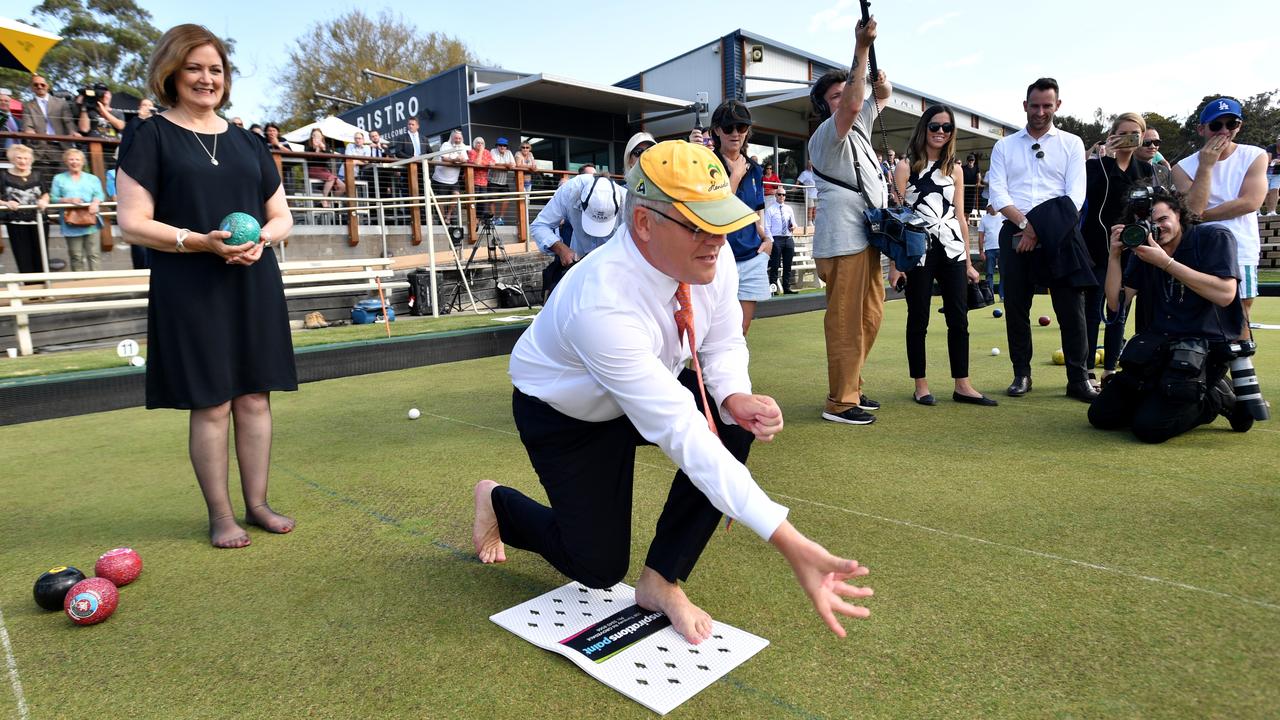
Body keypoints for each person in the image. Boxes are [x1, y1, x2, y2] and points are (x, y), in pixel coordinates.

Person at [473, 140, 874, 644]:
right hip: (565, 413)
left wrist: (732, 396)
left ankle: (661, 581)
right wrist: (790, 541)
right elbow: (679, 428)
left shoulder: (713, 254)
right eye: (699, 224)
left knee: (732, 424)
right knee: (596, 567)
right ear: (644, 223)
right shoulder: (602, 302)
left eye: (722, 221)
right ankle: (497, 502)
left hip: (646, 381)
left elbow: (724, 342)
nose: (717, 240)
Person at [115, 23, 297, 549]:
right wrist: (200, 241)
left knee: (255, 397)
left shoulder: (247, 141)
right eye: (194, 67)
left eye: (215, 69)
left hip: (252, 277)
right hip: (190, 283)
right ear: (171, 71)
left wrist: (261, 238)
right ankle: (221, 515)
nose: (206, 78)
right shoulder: (149, 136)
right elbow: (132, 221)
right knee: (212, 402)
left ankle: (257, 503)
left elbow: (281, 215)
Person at [1088, 190, 1251, 442]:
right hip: (1156, 349)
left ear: (1179, 214)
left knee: (1149, 429)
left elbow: (1225, 294)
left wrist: (1166, 263)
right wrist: (1114, 255)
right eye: (1148, 223)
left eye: (1163, 219)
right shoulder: (1144, 249)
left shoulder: (1213, 236)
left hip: (1202, 349)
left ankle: (1216, 396)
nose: (1157, 227)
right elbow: (1115, 303)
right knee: (1102, 417)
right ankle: (1169, 395)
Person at [986, 77, 1095, 402]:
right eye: (1035, 105)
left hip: (1061, 234)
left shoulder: (1072, 143)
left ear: (1057, 106)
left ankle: (1078, 379)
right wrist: (1023, 223)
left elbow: (1074, 196)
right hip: (1013, 231)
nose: (1040, 111)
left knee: (1071, 310)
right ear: (1025, 106)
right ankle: (1022, 374)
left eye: (1047, 105)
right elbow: (998, 192)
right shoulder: (1004, 146)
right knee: (1017, 306)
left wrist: (1036, 229)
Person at [807, 17, 893, 425]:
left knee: (870, 315)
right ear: (826, 105)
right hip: (843, 239)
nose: (845, 99)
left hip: (867, 236)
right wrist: (860, 49)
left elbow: (880, 95)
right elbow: (858, 103)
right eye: (836, 96)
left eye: (847, 91)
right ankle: (840, 402)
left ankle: (851, 385)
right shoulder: (828, 132)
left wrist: (878, 79)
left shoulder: (858, 127)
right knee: (846, 321)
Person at [888, 105, 995, 408]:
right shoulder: (905, 167)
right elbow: (897, 219)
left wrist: (969, 262)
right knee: (918, 318)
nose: (940, 132)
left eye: (946, 128)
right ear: (924, 128)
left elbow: (960, 217)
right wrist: (896, 265)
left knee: (959, 319)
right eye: (935, 126)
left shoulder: (956, 169)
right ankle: (920, 385)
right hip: (917, 252)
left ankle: (963, 384)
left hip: (952, 250)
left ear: (952, 133)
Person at [1174, 97, 1268, 337]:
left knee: (1240, 312)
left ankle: (1241, 372)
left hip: (1241, 246)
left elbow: (1251, 202)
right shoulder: (1183, 167)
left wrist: (1201, 216)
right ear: (1202, 129)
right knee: (1198, 310)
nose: (1224, 131)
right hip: (1199, 248)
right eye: (1217, 125)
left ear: (1240, 126)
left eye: (1232, 124)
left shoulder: (1255, 155)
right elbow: (1192, 209)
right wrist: (1206, 166)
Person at [711, 100, 771, 335]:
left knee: (740, 330)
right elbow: (717, 210)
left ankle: (730, 373)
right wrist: (734, 176)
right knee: (712, 331)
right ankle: (701, 374)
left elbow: (753, 212)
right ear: (717, 130)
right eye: (728, 128)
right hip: (716, 257)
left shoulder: (755, 169)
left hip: (751, 256)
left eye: (741, 127)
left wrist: (767, 240)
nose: (736, 133)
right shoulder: (707, 164)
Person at [50, 148, 105, 272]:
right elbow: (53, 198)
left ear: (83, 162)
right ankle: (79, 284)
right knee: (76, 255)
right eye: (71, 159)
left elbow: (100, 195)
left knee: (94, 254)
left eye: (77, 159)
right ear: (66, 161)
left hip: (91, 219)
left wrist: (96, 203)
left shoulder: (92, 178)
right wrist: (68, 200)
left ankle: (97, 284)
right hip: (71, 221)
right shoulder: (59, 178)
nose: (74, 162)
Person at [0, 144, 50, 275]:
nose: (23, 161)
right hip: (16, 222)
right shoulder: (3, 176)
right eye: (19, 158)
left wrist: (44, 200)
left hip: (39, 221)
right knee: (23, 257)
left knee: (42, 256)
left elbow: (45, 193)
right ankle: (31, 291)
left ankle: (44, 291)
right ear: (12, 159)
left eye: (26, 158)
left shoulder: (38, 174)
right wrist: (6, 203)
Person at [22, 74, 78, 168]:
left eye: (42, 84)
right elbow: (28, 126)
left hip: (61, 147)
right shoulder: (28, 106)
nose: (39, 86)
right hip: (39, 149)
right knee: (42, 180)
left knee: (62, 179)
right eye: (36, 85)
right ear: (32, 88)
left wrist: (73, 132)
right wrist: (30, 132)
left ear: (48, 86)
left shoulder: (61, 103)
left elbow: (68, 121)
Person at [432, 129, 469, 225]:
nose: (457, 140)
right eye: (456, 138)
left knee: (456, 195)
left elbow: (466, 159)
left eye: (459, 138)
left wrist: (460, 160)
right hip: (440, 178)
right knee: (441, 200)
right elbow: (444, 158)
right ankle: (443, 220)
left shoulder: (463, 146)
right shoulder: (445, 145)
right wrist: (456, 159)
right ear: (452, 137)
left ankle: (448, 216)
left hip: (453, 179)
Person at [765, 187, 797, 295]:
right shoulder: (770, 210)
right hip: (776, 238)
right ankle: (773, 289)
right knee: (775, 264)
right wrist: (772, 240)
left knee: (788, 265)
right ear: (775, 196)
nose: (782, 197)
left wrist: (793, 227)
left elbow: (794, 223)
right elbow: (767, 227)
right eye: (779, 194)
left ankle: (786, 287)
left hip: (788, 238)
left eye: (783, 195)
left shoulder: (789, 209)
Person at [303, 128, 343, 207]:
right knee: (331, 178)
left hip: (324, 170)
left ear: (322, 137)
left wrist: (323, 148)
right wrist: (316, 150)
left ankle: (330, 201)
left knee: (342, 186)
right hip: (313, 169)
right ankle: (324, 199)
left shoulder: (326, 145)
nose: (316, 137)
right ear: (311, 137)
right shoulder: (308, 145)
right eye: (314, 135)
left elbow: (329, 157)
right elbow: (308, 159)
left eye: (318, 135)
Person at [977, 199, 1004, 301]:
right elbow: (981, 236)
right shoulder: (984, 219)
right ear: (988, 207)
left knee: (1004, 273)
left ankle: (1003, 296)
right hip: (989, 249)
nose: (992, 208)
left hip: (1002, 248)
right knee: (989, 273)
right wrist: (981, 251)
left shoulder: (1002, 216)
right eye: (990, 206)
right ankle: (990, 296)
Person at [488, 137, 516, 222]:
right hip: (493, 180)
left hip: (504, 181)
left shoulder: (509, 152)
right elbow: (494, 164)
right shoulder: (493, 151)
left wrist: (505, 165)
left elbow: (513, 165)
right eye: (500, 145)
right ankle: (492, 218)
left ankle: (500, 218)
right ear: (497, 145)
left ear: (506, 147)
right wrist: (507, 165)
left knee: (506, 199)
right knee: (492, 200)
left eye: (504, 145)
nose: (502, 147)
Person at [796, 158, 817, 227]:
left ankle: (815, 222)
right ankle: (809, 222)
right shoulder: (804, 173)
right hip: (809, 194)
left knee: (815, 208)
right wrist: (794, 189)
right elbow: (798, 181)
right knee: (810, 208)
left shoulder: (815, 173)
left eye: (812, 165)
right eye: (809, 165)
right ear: (807, 165)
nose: (811, 166)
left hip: (817, 193)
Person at [1264, 133, 1280, 216]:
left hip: (1277, 174)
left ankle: (1272, 211)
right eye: (1279, 140)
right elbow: (1268, 161)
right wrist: (1275, 161)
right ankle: (1267, 211)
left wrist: (1278, 161)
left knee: (1275, 190)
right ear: (1277, 141)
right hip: (1266, 172)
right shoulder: (1271, 147)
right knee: (1266, 192)